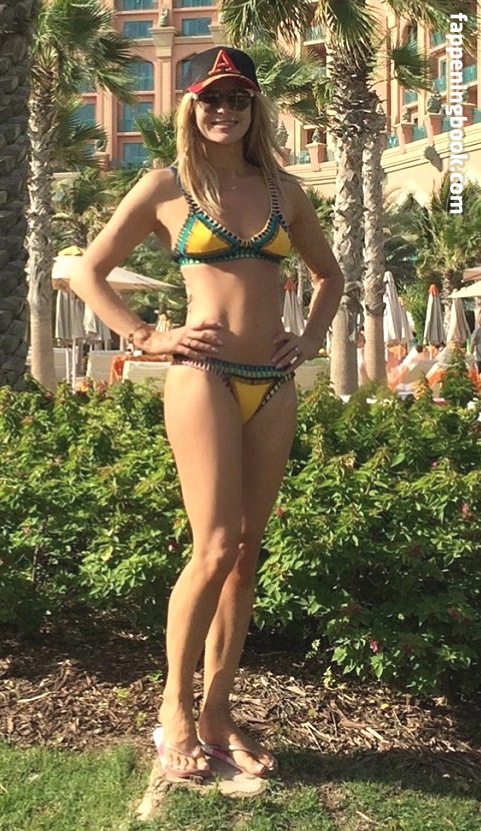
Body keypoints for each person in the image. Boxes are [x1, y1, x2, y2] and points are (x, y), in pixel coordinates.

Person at [70, 46, 344, 780]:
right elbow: (87, 272)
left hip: (272, 381)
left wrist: (309, 339)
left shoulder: (286, 191)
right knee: (216, 546)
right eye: (211, 99)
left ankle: (219, 714)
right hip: (202, 375)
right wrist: (146, 335)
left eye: (238, 98)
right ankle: (174, 711)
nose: (225, 110)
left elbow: (330, 275)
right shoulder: (166, 184)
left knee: (247, 554)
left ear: (256, 107)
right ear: (190, 106)